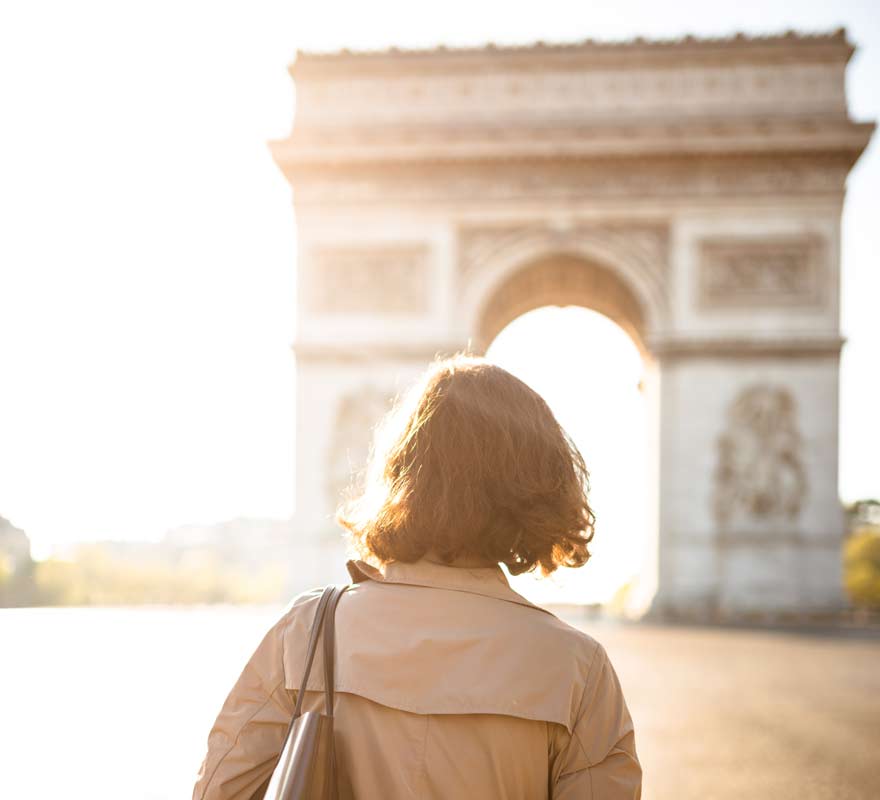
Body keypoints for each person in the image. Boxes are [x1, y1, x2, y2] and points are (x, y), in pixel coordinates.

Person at [192, 353, 642, 799]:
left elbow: (218, 791)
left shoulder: (310, 632)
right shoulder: (576, 668)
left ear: (400, 473)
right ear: (541, 485)